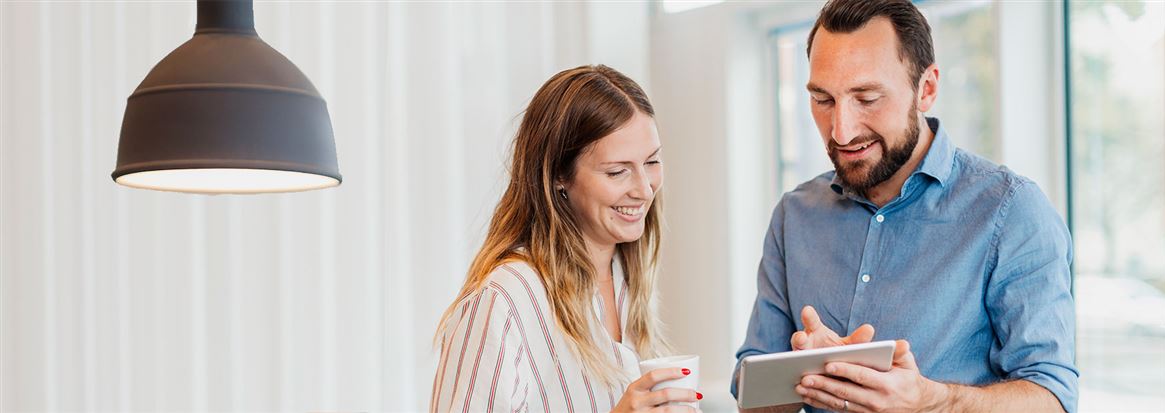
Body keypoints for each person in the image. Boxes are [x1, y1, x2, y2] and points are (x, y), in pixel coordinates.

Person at [731, 1, 1078, 412]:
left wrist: (932, 401)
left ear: (926, 88)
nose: (841, 130)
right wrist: (802, 375)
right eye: (823, 100)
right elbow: (753, 398)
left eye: (867, 97)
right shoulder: (795, 215)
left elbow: (1052, 398)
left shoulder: (1011, 211)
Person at [430, 65, 701, 412]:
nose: (644, 189)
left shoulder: (626, 281)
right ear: (559, 175)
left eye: (651, 162)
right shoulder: (506, 300)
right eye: (617, 171)